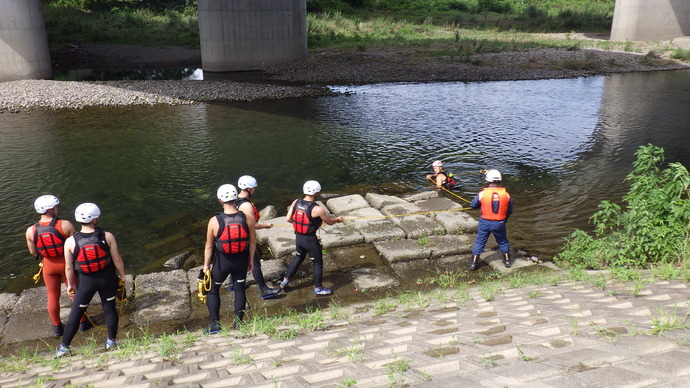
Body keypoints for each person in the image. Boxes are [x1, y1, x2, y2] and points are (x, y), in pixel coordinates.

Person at [56, 203, 126, 357]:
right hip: (107, 278)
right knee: (109, 308)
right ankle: (111, 342)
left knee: (76, 312)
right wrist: (122, 275)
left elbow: (69, 267)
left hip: (85, 281)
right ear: (95, 219)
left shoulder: (70, 241)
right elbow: (117, 259)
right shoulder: (107, 236)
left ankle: (64, 347)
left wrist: (71, 284)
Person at [25, 195, 91, 336]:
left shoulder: (30, 231)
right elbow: (76, 245)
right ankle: (83, 323)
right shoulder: (65, 224)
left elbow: (33, 251)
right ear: (50, 210)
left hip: (48, 266)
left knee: (52, 296)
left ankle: (57, 327)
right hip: (67, 264)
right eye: (55, 207)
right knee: (75, 293)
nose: (57, 209)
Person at [203, 184, 256, 334]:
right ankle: (238, 324)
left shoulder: (214, 221)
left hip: (222, 263)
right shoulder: (247, 218)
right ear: (235, 198)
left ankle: (215, 325)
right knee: (239, 289)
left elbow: (209, 247)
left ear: (220, 200)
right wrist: (250, 260)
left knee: (213, 290)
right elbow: (252, 242)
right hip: (241, 260)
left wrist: (206, 265)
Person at [280, 180, 343, 296]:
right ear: (316, 192)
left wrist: (301, 223)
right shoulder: (317, 209)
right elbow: (329, 222)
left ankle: (285, 281)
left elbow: (288, 219)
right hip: (310, 240)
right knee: (317, 263)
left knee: (298, 258)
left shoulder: (296, 202)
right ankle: (318, 288)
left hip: (299, 238)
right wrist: (337, 220)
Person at [236, 175, 281, 299]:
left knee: (237, 260)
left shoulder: (232, 199)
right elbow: (252, 225)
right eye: (253, 188)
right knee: (254, 263)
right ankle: (264, 290)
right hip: (244, 238)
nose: (255, 190)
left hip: (235, 237)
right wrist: (265, 226)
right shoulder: (246, 206)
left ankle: (231, 284)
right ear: (248, 189)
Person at [469, 169, 513, 270]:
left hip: (485, 222)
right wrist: (504, 219)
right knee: (502, 241)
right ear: (500, 180)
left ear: (487, 180)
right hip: (499, 222)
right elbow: (510, 210)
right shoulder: (506, 194)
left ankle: (473, 263)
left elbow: (473, 205)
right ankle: (507, 261)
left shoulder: (483, 193)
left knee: (480, 241)